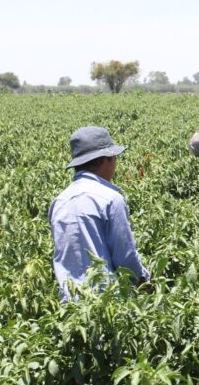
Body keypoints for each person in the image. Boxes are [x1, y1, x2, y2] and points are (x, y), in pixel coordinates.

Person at [49, 126, 150, 302]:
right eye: (113, 158)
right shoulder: (110, 199)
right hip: (105, 305)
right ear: (106, 160)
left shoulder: (59, 201)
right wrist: (143, 281)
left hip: (69, 303)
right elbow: (126, 258)